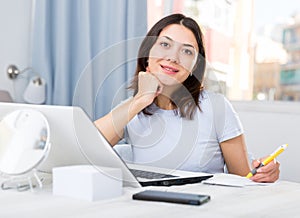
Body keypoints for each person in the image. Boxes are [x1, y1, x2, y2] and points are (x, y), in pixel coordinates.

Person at [94, 13, 280, 183]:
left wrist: (264, 173)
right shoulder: (131, 108)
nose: (173, 58)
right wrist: (140, 101)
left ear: (194, 67)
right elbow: (86, 148)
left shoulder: (216, 107)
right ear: (147, 54)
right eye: (165, 45)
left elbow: (244, 179)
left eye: (187, 51)